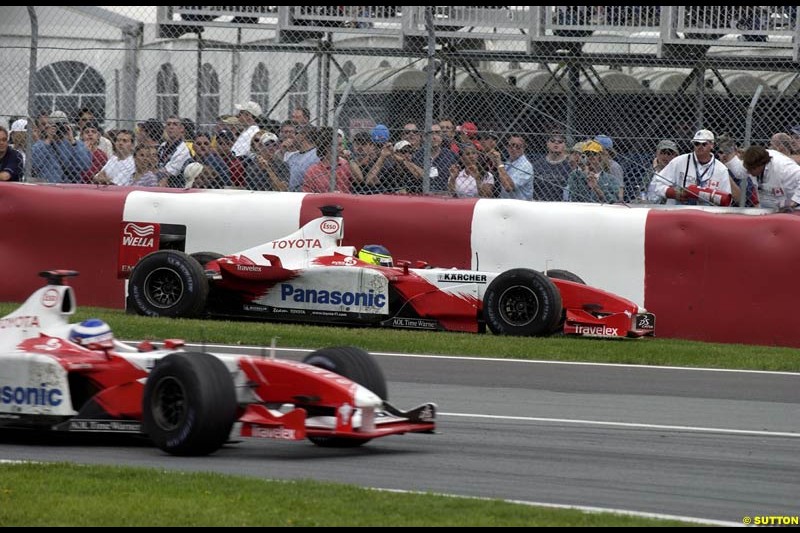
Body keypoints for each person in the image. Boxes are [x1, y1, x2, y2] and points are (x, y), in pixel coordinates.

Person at [651, 129, 732, 206]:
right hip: (679, 210)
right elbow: (658, 184)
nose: (700, 146)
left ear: (712, 145)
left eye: (704, 144)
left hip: (707, 213)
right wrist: (673, 193)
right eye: (696, 143)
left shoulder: (721, 169)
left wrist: (711, 197)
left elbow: (727, 198)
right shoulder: (679, 161)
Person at [31, 110, 91, 183]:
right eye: (55, 125)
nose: (59, 129)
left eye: (62, 126)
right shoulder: (40, 144)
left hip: (68, 187)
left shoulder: (76, 145)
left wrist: (72, 141)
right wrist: (48, 139)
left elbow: (84, 166)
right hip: (46, 185)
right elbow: (33, 164)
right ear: (49, 126)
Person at [741, 145, 800, 210]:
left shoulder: (783, 167)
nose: (748, 172)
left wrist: (794, 201)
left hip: (795, 208)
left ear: (760, 165)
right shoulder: (753, 161)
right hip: (774, 205)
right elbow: (739, 173)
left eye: (751, 169)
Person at [531, 132, 570, 201]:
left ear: (565, 145)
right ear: (547, 144)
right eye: (552, 141)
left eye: (560, 141)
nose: (556, 143)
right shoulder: (537, 164)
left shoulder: (569, 165)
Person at [493, 135, 533, 200]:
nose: (514, 149)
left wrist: (499, 163)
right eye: (511, 145)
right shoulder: (508, 161)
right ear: (507, 147)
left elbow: (508, 187)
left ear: (524, 148)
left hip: (520, 205)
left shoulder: (526, 165)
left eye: (518, 146)